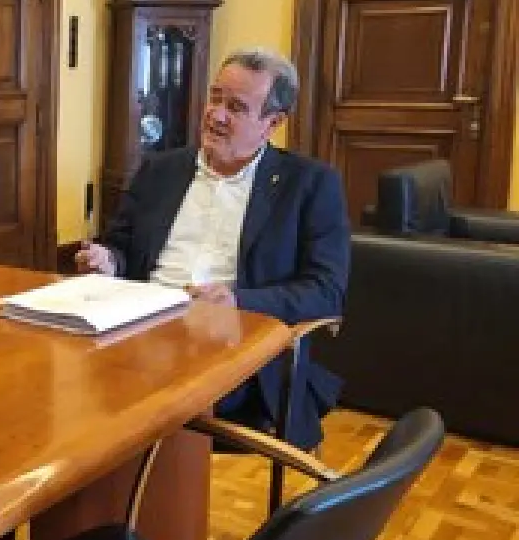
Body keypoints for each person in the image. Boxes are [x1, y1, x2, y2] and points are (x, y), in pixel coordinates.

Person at [76, 47, 350, 450]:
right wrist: (108, 260)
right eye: (215, 98)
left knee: (144, 395)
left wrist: (237, 300)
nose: (216, 115)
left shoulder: (309, 185)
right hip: (140, 327)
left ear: (273, 123)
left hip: (232, 344)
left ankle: (140, 483)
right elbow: (122, 244)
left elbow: (325, 291)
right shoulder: (162, 169)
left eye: (235, 107)